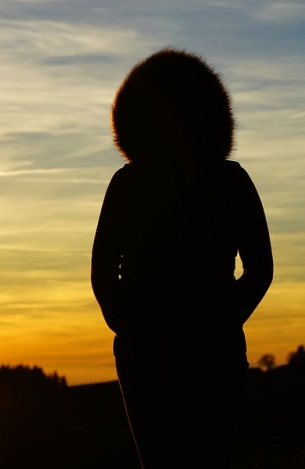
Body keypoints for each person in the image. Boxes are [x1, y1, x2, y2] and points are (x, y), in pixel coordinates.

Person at [91, 48, 274, 469]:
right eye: (159, 113)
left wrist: (222, 319)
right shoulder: (128, 185)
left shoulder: (229, 182)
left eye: (179, 110)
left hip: (211, 351)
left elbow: (260, 268)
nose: (170, 122)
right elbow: (103, 268)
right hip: (147, 352)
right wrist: (126, 322)